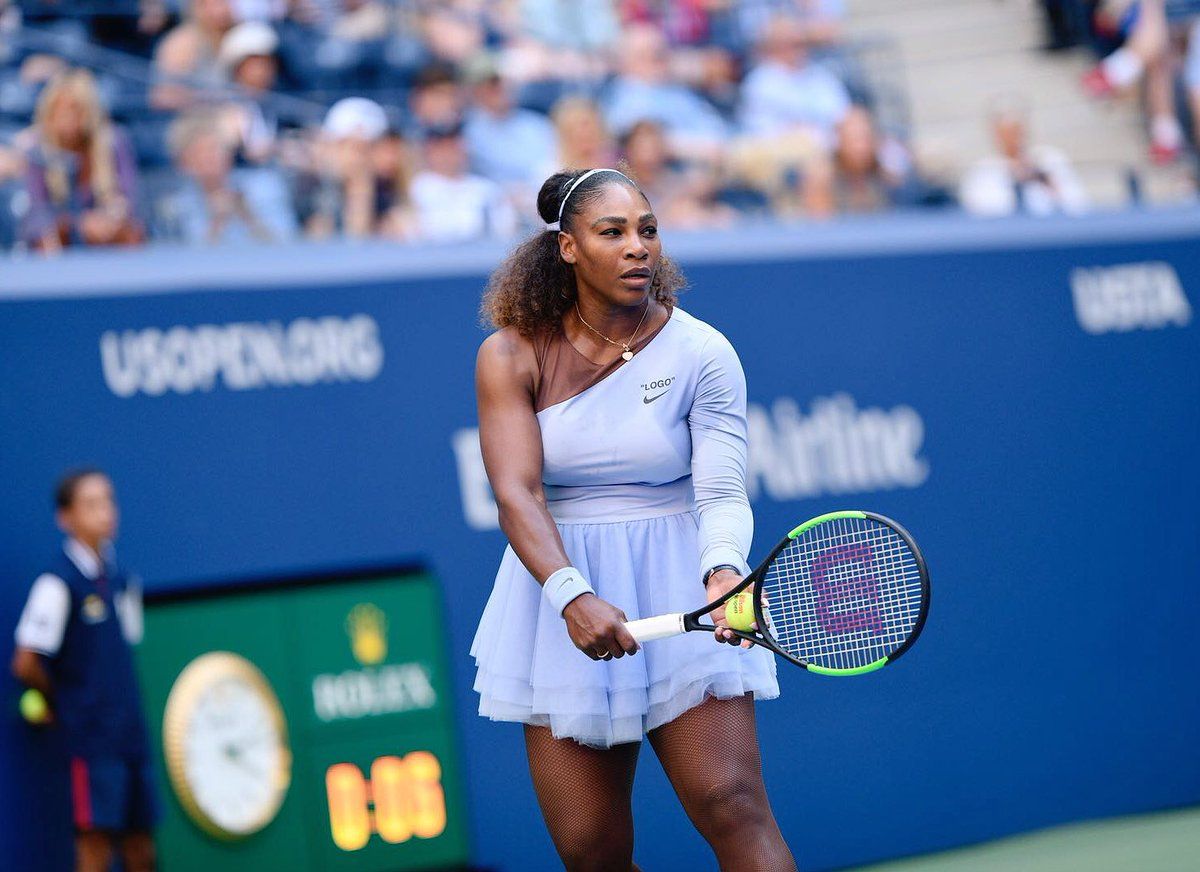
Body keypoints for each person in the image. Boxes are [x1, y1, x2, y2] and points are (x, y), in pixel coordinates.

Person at [471, 167, 794, 870]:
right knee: (591, 847)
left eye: (646, 229)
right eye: (612, 232)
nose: (637, 246)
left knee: (732, 801)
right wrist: (571, 596)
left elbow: (722, 487)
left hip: (681, 573)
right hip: (562, 592)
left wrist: (723, 572)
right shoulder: (510, 353)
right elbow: (516, 495)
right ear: (568, 248)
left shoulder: (704, 351)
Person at [12, 469, 158, 872]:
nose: (105, 512)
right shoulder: (57, 584)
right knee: (95, 846)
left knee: (141, 848)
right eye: (91, 504)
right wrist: (62, 703)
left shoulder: (122, 581)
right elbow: (25, 662)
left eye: (108, 501)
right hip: (91, 744)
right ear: (66, 518)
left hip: (130, 736)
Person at [21, 69, 144, 253]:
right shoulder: (39, 151)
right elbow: (37, 211)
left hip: (108, 234)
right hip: (62, 235)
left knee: (130, 233)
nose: (67, 117)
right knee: (48, 238)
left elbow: (131, 197)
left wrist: (112, 215)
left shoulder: (113, 142)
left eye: (74, 109)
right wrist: (79, 223)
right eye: (59, 109)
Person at [959, 99, 1088, 217]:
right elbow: (979, 211)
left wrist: (1048, 184)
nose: (1013, 139)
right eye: (1006, 133)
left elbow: (1076, 203)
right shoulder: (983, 172)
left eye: (1016, 132)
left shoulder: (1048, 159)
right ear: (996, 135)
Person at [410, 121, 518, 242]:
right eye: (441, 147)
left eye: (453, 145)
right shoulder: (415, 188)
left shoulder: (485, 188)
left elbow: (505, 230)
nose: (448, 153)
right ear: (428, 151)